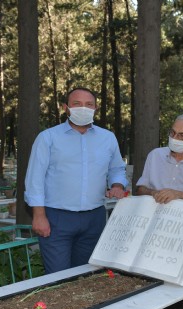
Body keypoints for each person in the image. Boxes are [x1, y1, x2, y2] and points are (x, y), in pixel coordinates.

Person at [25, 87, 128, 274]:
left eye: (89, 104)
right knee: (58, 277)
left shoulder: (108, 138)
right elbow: (35, 179)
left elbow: (117, 169)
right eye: (77, 104)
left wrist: (117, 185)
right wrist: (39, 216)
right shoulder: (48, 138)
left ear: (96, 108)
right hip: (56, 218)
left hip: (94, 218)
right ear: (66, 108)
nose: (83, 109)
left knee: (87, 276)